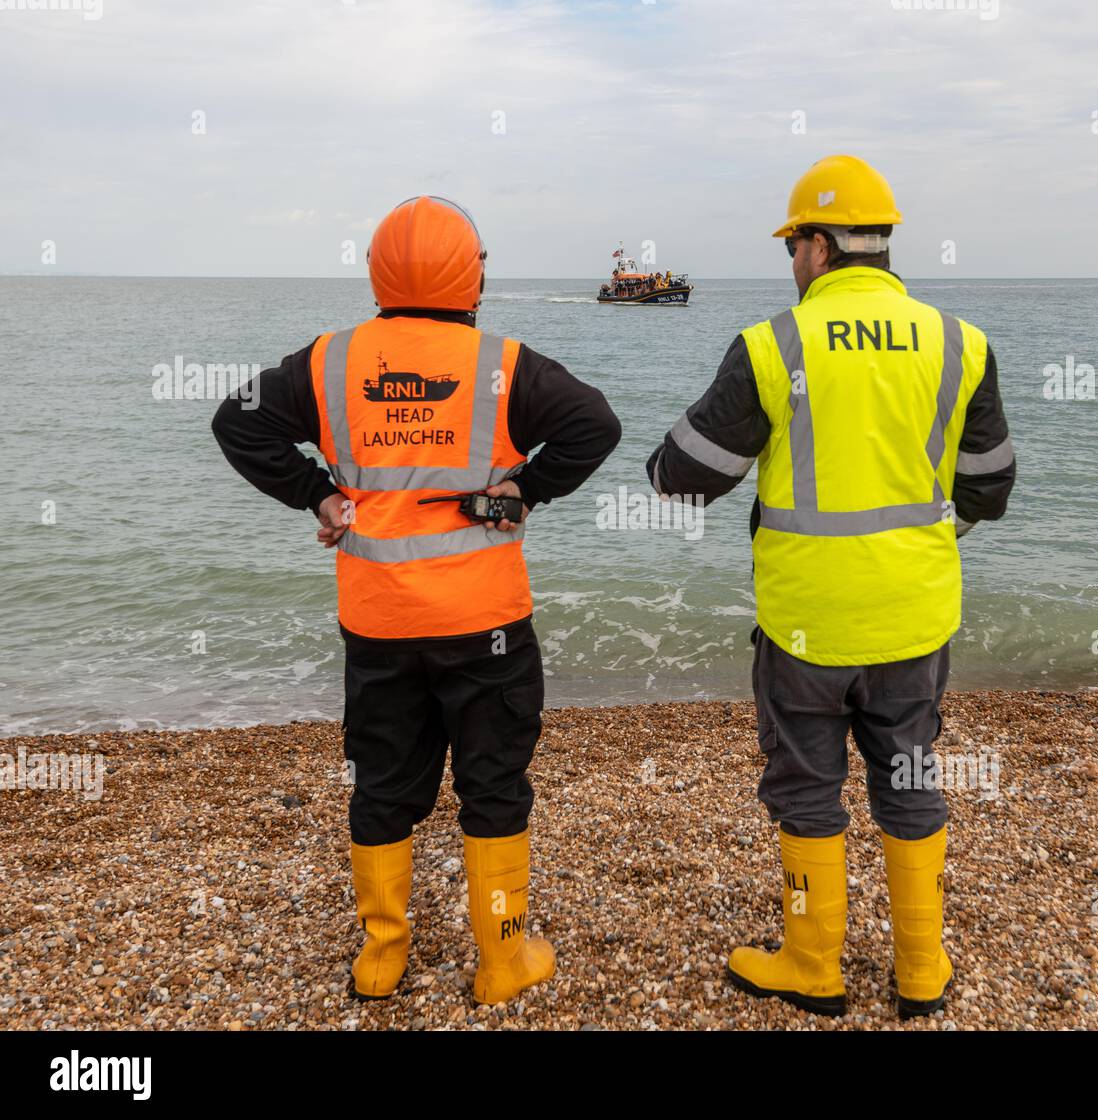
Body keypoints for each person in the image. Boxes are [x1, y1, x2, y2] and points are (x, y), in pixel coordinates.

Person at [213, 195, 621, 1004]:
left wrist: (318, 495)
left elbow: (237, 421)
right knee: (494, 784)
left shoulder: (330, 361)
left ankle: (383, 955)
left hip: (379, 622)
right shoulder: (503, 362)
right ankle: (502, 961)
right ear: (472, 276)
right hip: (487, 623)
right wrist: (523, 490)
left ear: (378, 273)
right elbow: (594, 426)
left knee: (383, 783)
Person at [646, 156, 1015, 1019]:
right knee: (912, 776)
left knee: (808, 788)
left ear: (816, 247)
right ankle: (921, 969)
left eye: (793, 247)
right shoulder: (961, 344)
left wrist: (667, 459)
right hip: (915, 618)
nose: (792, 263)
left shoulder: (773, 347)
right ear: (880, 245)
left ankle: (814, 963)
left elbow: (684, 476)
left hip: (805, 623)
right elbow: (989, 490)